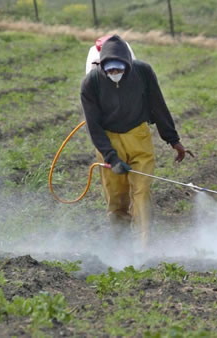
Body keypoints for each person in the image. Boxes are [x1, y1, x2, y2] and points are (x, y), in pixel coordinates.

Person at [80, 34, 192, 250]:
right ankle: (120, 247)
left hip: (138, 137)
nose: (115, 74)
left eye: (119, 70)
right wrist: (111, 158)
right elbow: (93, 127)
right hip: (108, 141)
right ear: (102, 68)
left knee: (141, 191)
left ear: (127, 65)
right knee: (116, 197)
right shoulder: (90, 83)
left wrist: (173, 140)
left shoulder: (143, 72)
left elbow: (158, 105)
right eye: (110, 71)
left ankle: (144, 248)